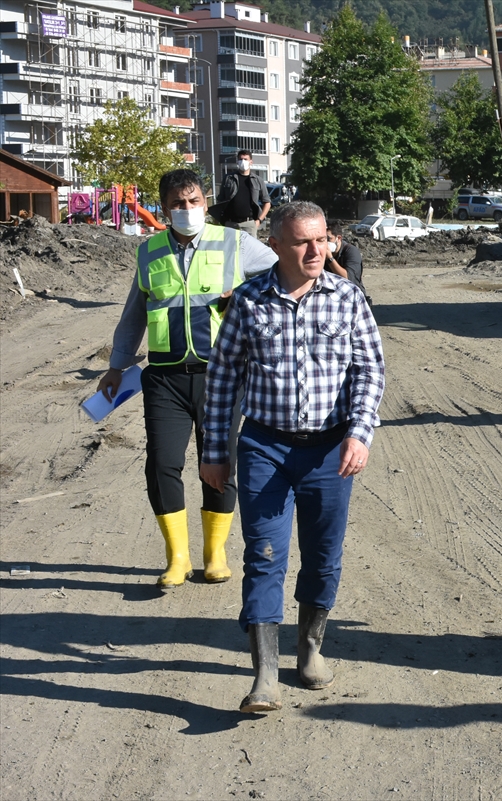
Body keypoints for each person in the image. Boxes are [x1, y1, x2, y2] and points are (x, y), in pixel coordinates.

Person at [200, 201, 385, 713]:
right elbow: (222, 382)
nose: (315, 251)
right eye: (302, 242)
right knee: (264, 556)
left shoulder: (348, 298)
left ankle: (310, 649)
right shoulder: (249, 302)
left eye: (322, 239)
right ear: (276, 245)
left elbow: (370, 371)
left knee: (323, 558)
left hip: (329, 451)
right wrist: (215, 452)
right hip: (266, 448)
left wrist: (359, 433)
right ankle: (264, 675)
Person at [96, 169, 277, 588]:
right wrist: (116, 365)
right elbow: (134, 313)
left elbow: (278, 272)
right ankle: (177, 558)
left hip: (222, 375)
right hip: (165, 377)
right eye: (178, 203)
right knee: (161, 464)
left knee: (218, 465)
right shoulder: (149, 251)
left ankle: (214, 554)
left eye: (194, 201)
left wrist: (244, 296)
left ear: (205, 200)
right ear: (164, 207)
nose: (187, 209)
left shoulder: (234, 242)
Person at [216, 150, 271, 236]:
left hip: (249, 224)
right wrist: (221, 220)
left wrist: (259, 220)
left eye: (245, 159)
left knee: (250, 249)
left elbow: (267, 202)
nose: (243, 162)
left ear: (251, 162)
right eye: (240, 159)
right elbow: (220, 200)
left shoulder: (258, 180)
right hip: (231, 224)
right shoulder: (228, 178)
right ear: (237, 161)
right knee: (230, 249)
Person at [324, 222, 368, 301]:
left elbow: (349, 279)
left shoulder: (351, 251)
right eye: (322, 239)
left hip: (352, 298)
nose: (325, 243)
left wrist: (329, 258)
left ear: (339, 238)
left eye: (328, 239)